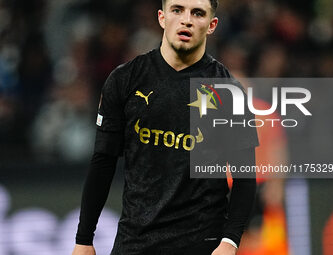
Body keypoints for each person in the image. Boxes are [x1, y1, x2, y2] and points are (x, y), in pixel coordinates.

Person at [72, 0, 258, 254]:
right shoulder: (124, 80)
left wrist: (230, 241)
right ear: (161, 17)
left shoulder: (229, 92)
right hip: (136, 243)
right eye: (177, 10)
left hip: (201, 243)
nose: (187, 20)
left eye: (198, 13)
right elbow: (103, 162)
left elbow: (245, 175)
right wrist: (84, 239)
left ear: (212, 25)